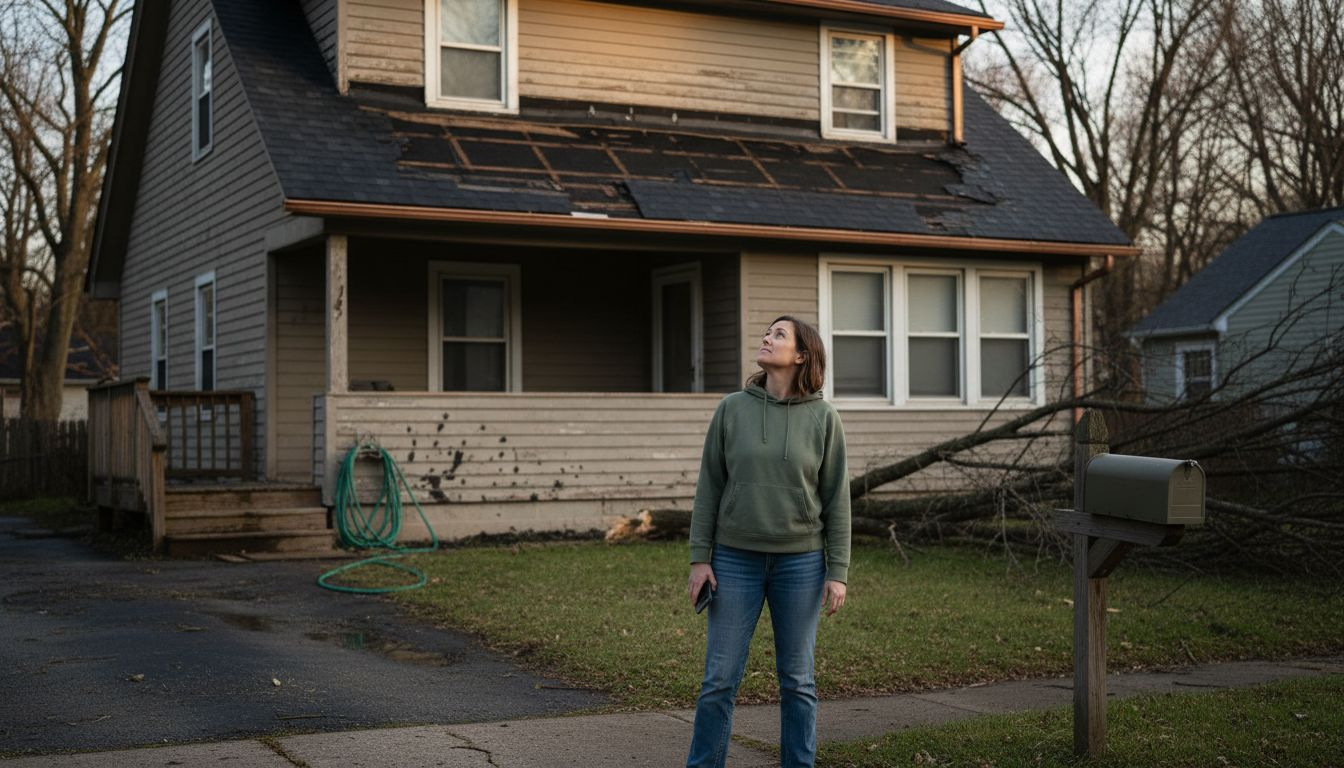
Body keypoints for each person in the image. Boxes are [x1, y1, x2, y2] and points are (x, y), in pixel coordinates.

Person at [685, 315, 851, 768]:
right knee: (719, 679)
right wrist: (701, 559)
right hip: (735, 559)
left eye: (779, 334)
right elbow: (709, 487)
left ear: (801, 355)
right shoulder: (732, 409)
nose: (766, 338)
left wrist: (837, 572)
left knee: (797, 680)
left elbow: (837, 499)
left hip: (801, 563)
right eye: (768, 332)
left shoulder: (824, 417)